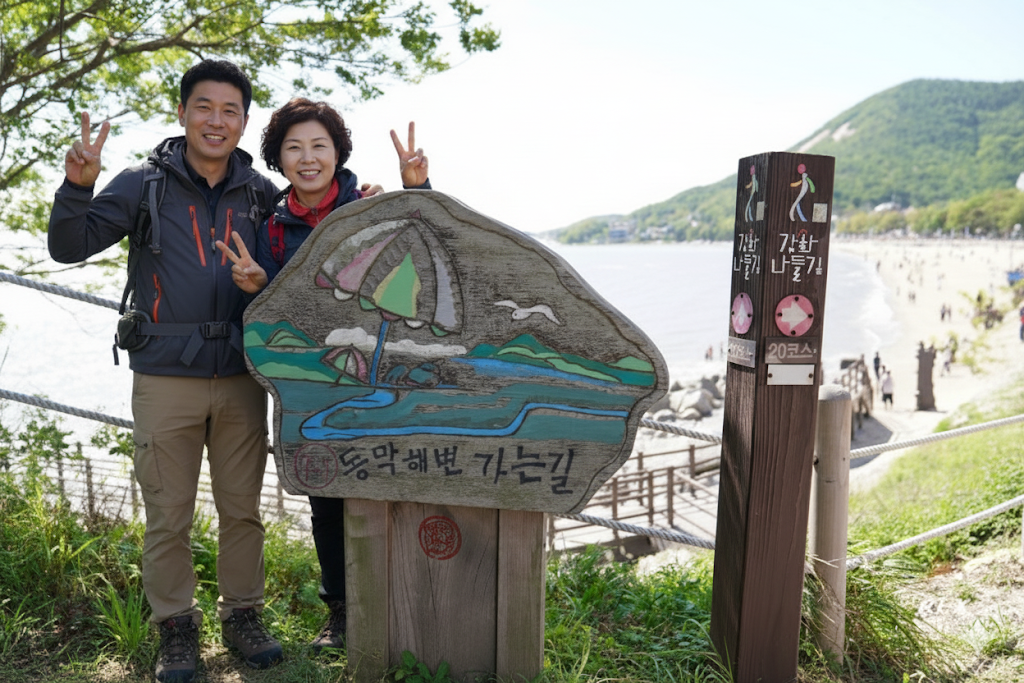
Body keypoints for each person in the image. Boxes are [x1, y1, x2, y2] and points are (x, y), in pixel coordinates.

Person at [48, 60, 285, 682]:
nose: (216, 120)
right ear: (182, 113)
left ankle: (243, 615)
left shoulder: (261, 194)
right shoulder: (141, 184)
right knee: (168, 513)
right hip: (164, 377)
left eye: (230, 110)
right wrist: (76, 187)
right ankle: (176, 627)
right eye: (204, 107)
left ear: (243, 122)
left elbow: (303, 259)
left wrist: (362, 198)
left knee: (242, 510)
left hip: (241, 376)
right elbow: (68, 247)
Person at [216, 97, 430, 655]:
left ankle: (408, 601)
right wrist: (260, 285)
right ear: (278, 159)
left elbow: (432, 245)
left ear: (338, 153)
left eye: (319, 146)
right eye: (294, 147)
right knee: (327, 501)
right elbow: (280, 313)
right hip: (314, 388)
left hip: (384, 380)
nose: (307, 158)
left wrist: (419, 191)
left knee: (399, 486)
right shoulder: (272, 227)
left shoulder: (371, 206)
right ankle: (341, 611)